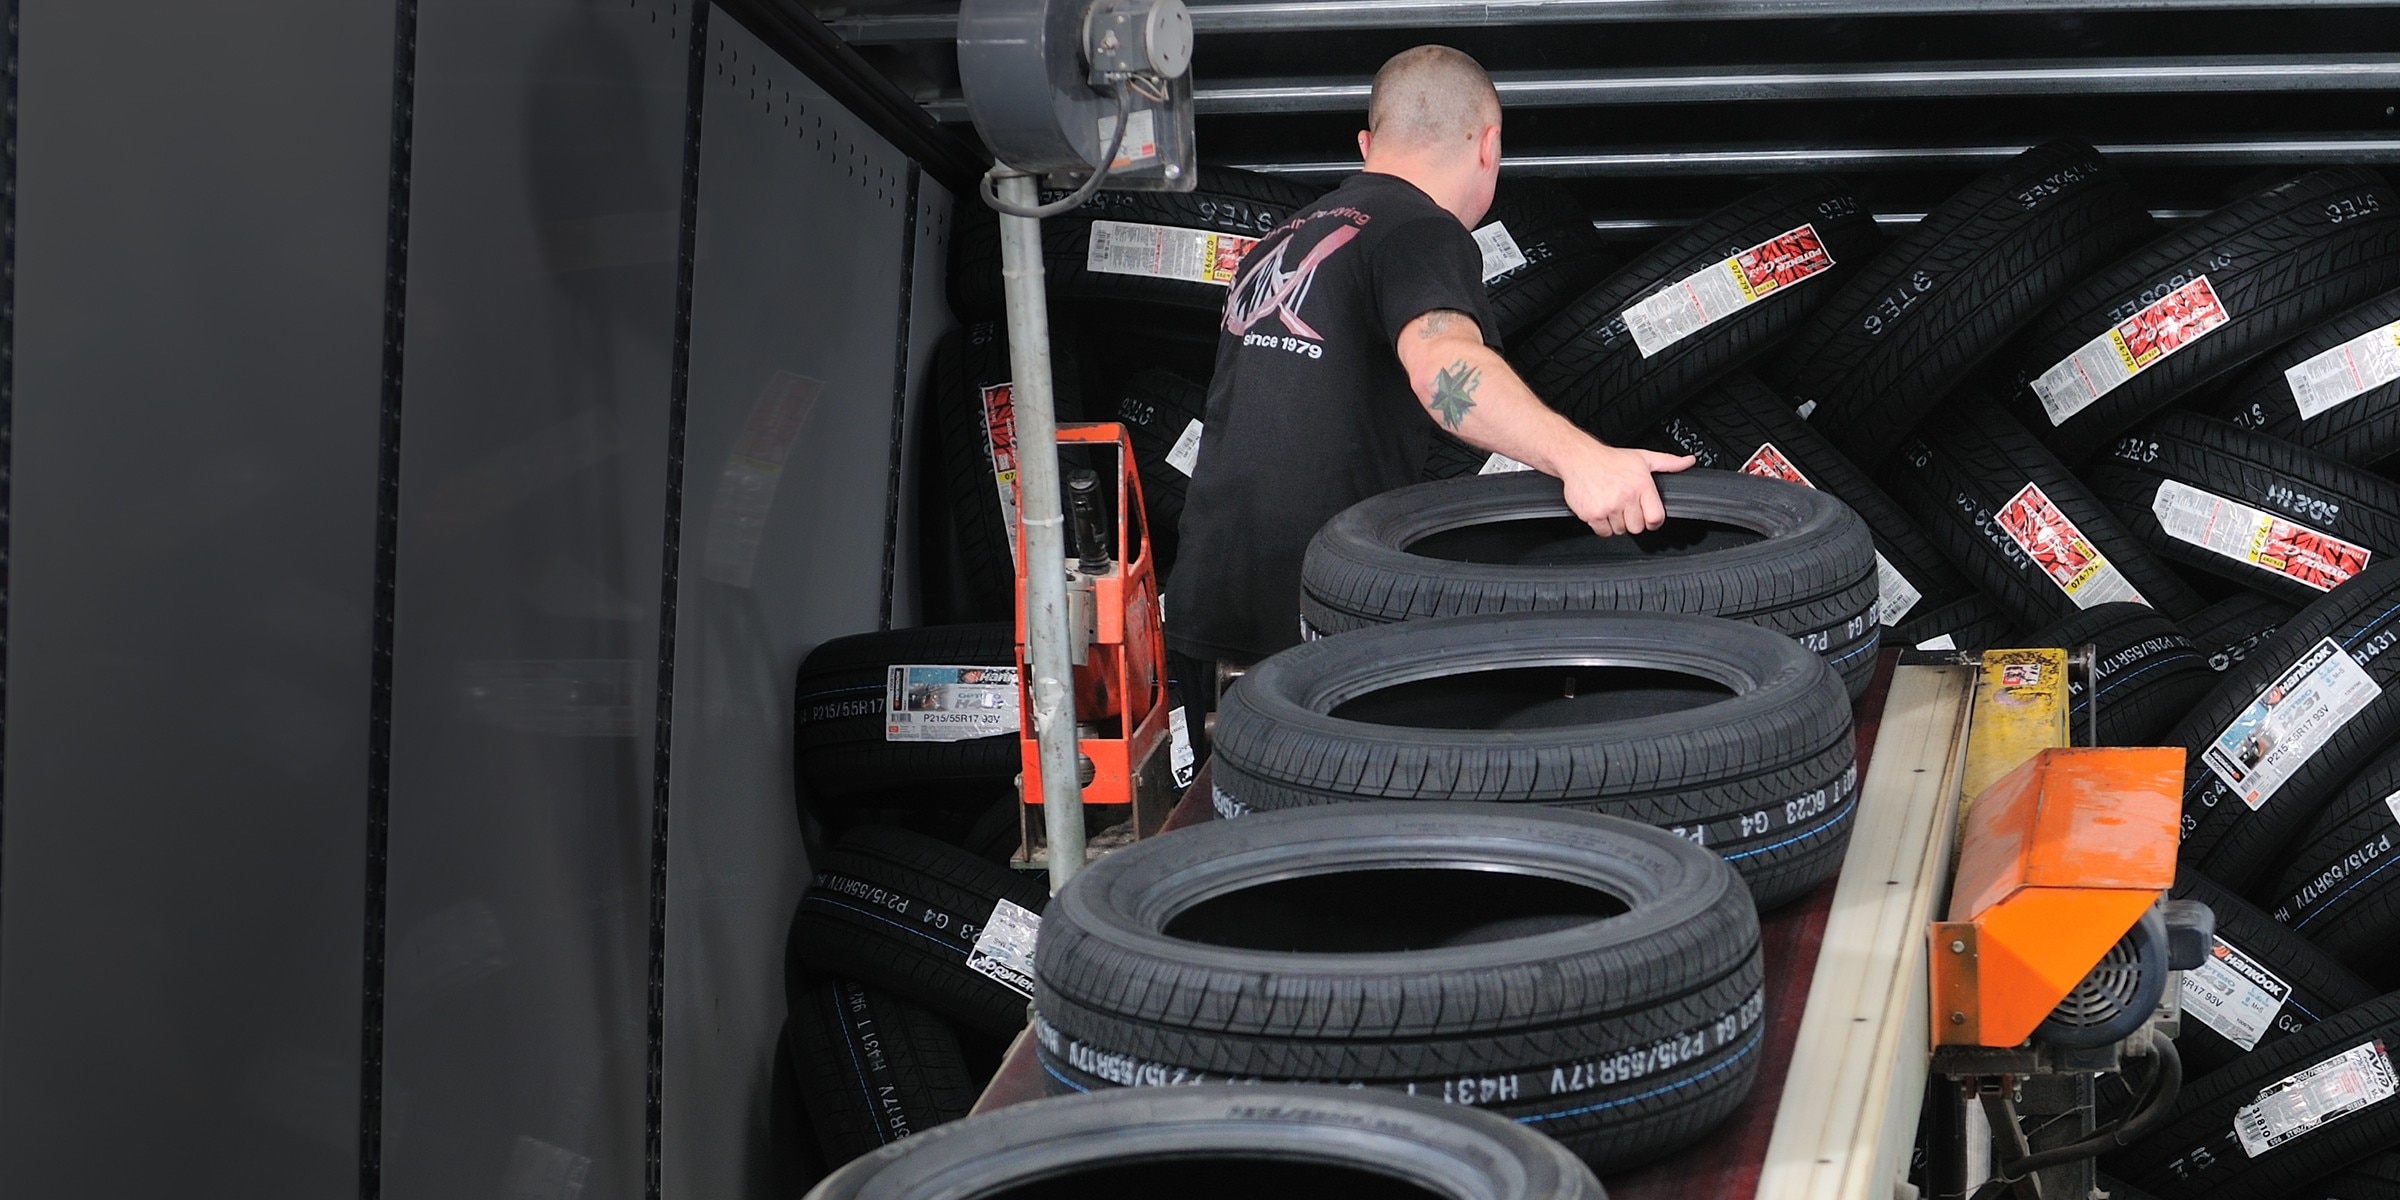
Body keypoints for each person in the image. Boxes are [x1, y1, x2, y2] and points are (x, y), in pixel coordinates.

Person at [1164, 44, 1694, 724]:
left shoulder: (1278, 242)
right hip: (1315, 622)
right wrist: (1582, 460)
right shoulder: (1421, 232)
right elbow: (1443, 370)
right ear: (1488, 147)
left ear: (1367, 143)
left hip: (1210, 610)